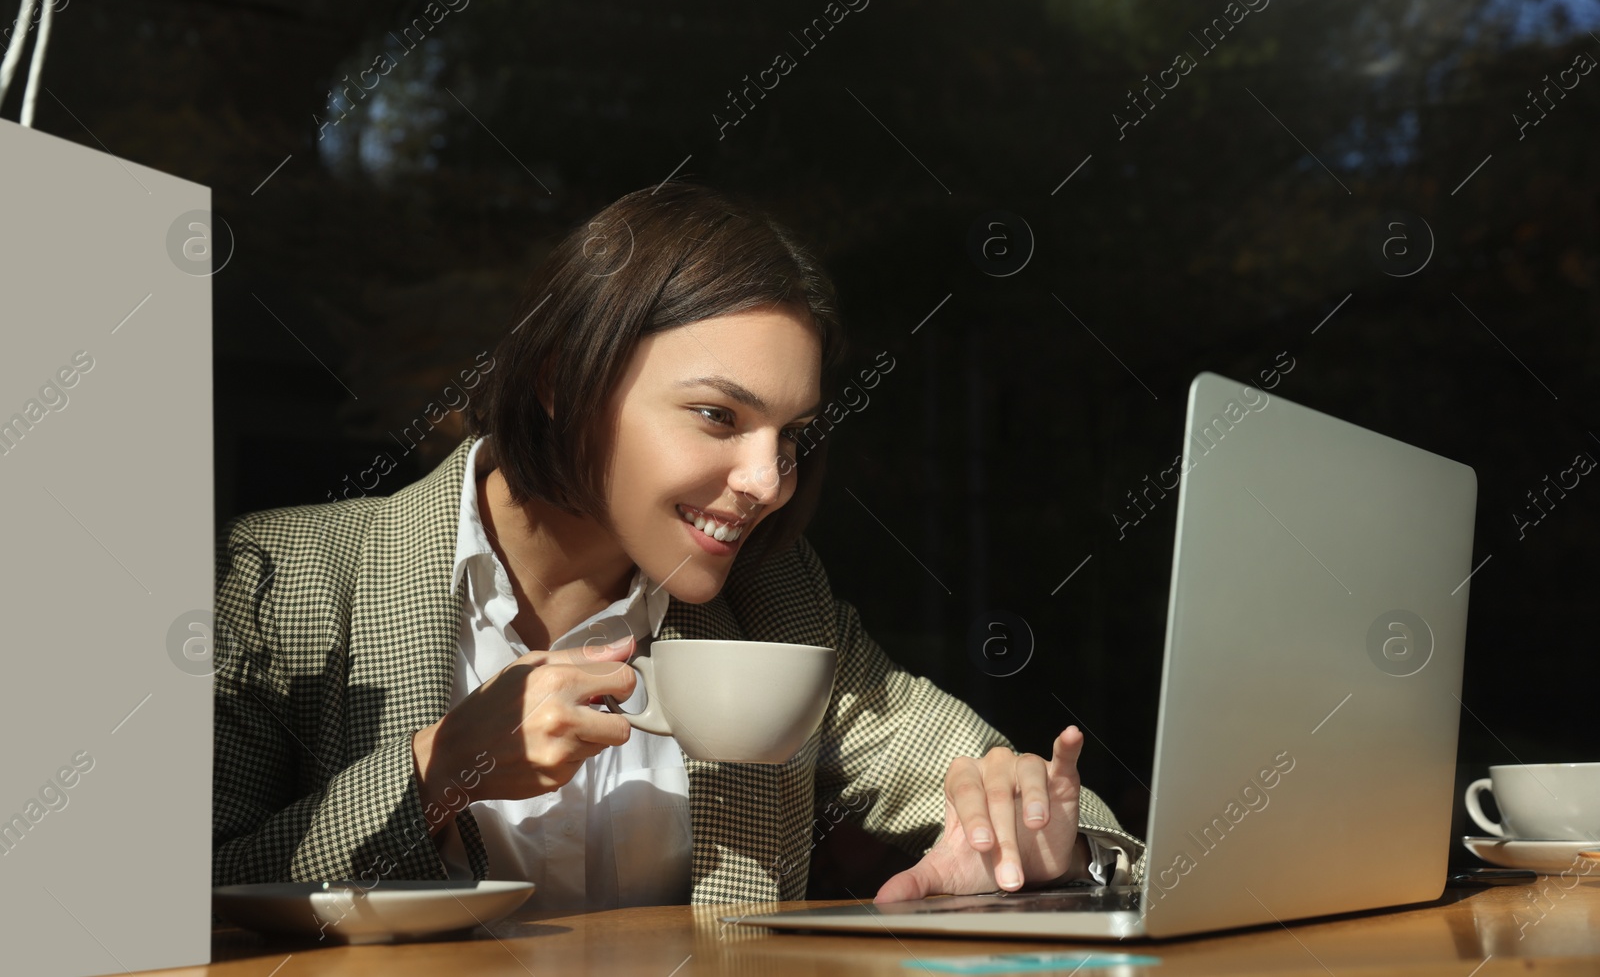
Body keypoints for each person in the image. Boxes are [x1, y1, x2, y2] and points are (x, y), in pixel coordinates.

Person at [211, 182, 1146, 909]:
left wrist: (1041, 838)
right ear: (556, 380)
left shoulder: (777, 604)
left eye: (791, 436)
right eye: (717, 415)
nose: (770, 479)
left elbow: (1042, 806)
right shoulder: (283, 583)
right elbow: (171, 904)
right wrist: (434, 773)